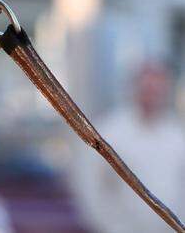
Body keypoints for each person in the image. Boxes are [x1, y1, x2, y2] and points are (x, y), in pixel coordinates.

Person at [74, 60, 185, 232]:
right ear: (135, 88)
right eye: (147, 88)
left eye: (157, 89)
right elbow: (89, 184)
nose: (152, 94)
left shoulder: (177, 135)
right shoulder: (110, 132)